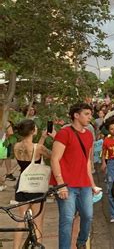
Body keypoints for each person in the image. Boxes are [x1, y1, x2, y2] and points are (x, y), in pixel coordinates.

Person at [50, 103, 100, 249]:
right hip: (66, 185)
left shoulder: (89, 135)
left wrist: (92, 184)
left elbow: (87, 162)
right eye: (86, 114)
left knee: (88, 216)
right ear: (76, 115)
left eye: (90, 114)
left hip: (83, 183)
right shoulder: (64, 133)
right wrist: (60, 185)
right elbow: (54, 159)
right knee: (66, 220)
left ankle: (81, 242)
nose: (90, 117)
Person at [12, 120, 52, 249]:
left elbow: (32, 155)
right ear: (32, 131)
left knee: (21, 221)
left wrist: (42, 138)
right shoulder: (39, 148)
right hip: (35, 185)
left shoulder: (16, 146)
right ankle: (37, 246)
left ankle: (16, 247)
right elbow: (50, 156)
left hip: (22, 184)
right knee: (37, 221)